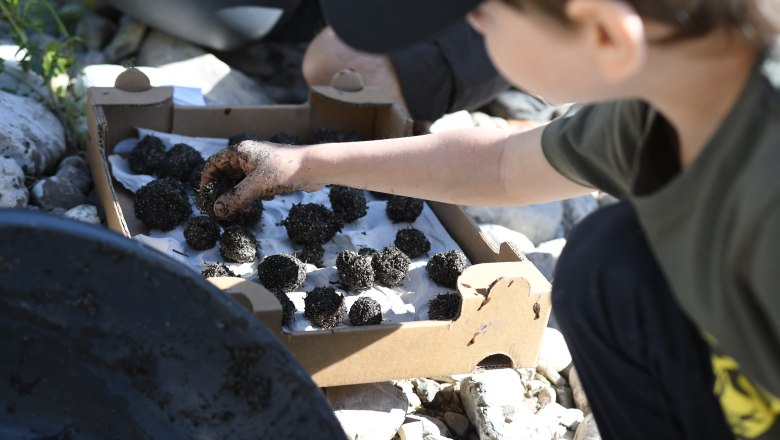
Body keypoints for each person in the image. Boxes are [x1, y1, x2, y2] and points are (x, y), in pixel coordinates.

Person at [201, 0, 780, 438]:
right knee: (607, 262)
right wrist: (304, 163)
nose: (471, 29)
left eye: (482, 13)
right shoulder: (662, 100)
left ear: (604, 32)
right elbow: (501, 165)